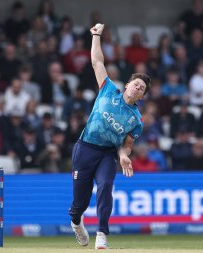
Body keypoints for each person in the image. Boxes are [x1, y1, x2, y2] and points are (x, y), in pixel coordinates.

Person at [69, 23, 151, 249]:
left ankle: (102, 233)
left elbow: (127, 144)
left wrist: (124, 156)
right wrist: (96, 35)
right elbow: (97, 62)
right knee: (80, 204)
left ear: (142, 97)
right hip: (85, 148)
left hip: (107, 154)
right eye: (135, 84)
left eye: (141, 89)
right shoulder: (108, 89)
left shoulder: (136, 120)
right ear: (126, 85)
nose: (137, 89)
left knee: (105, 186)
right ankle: (76, 222)